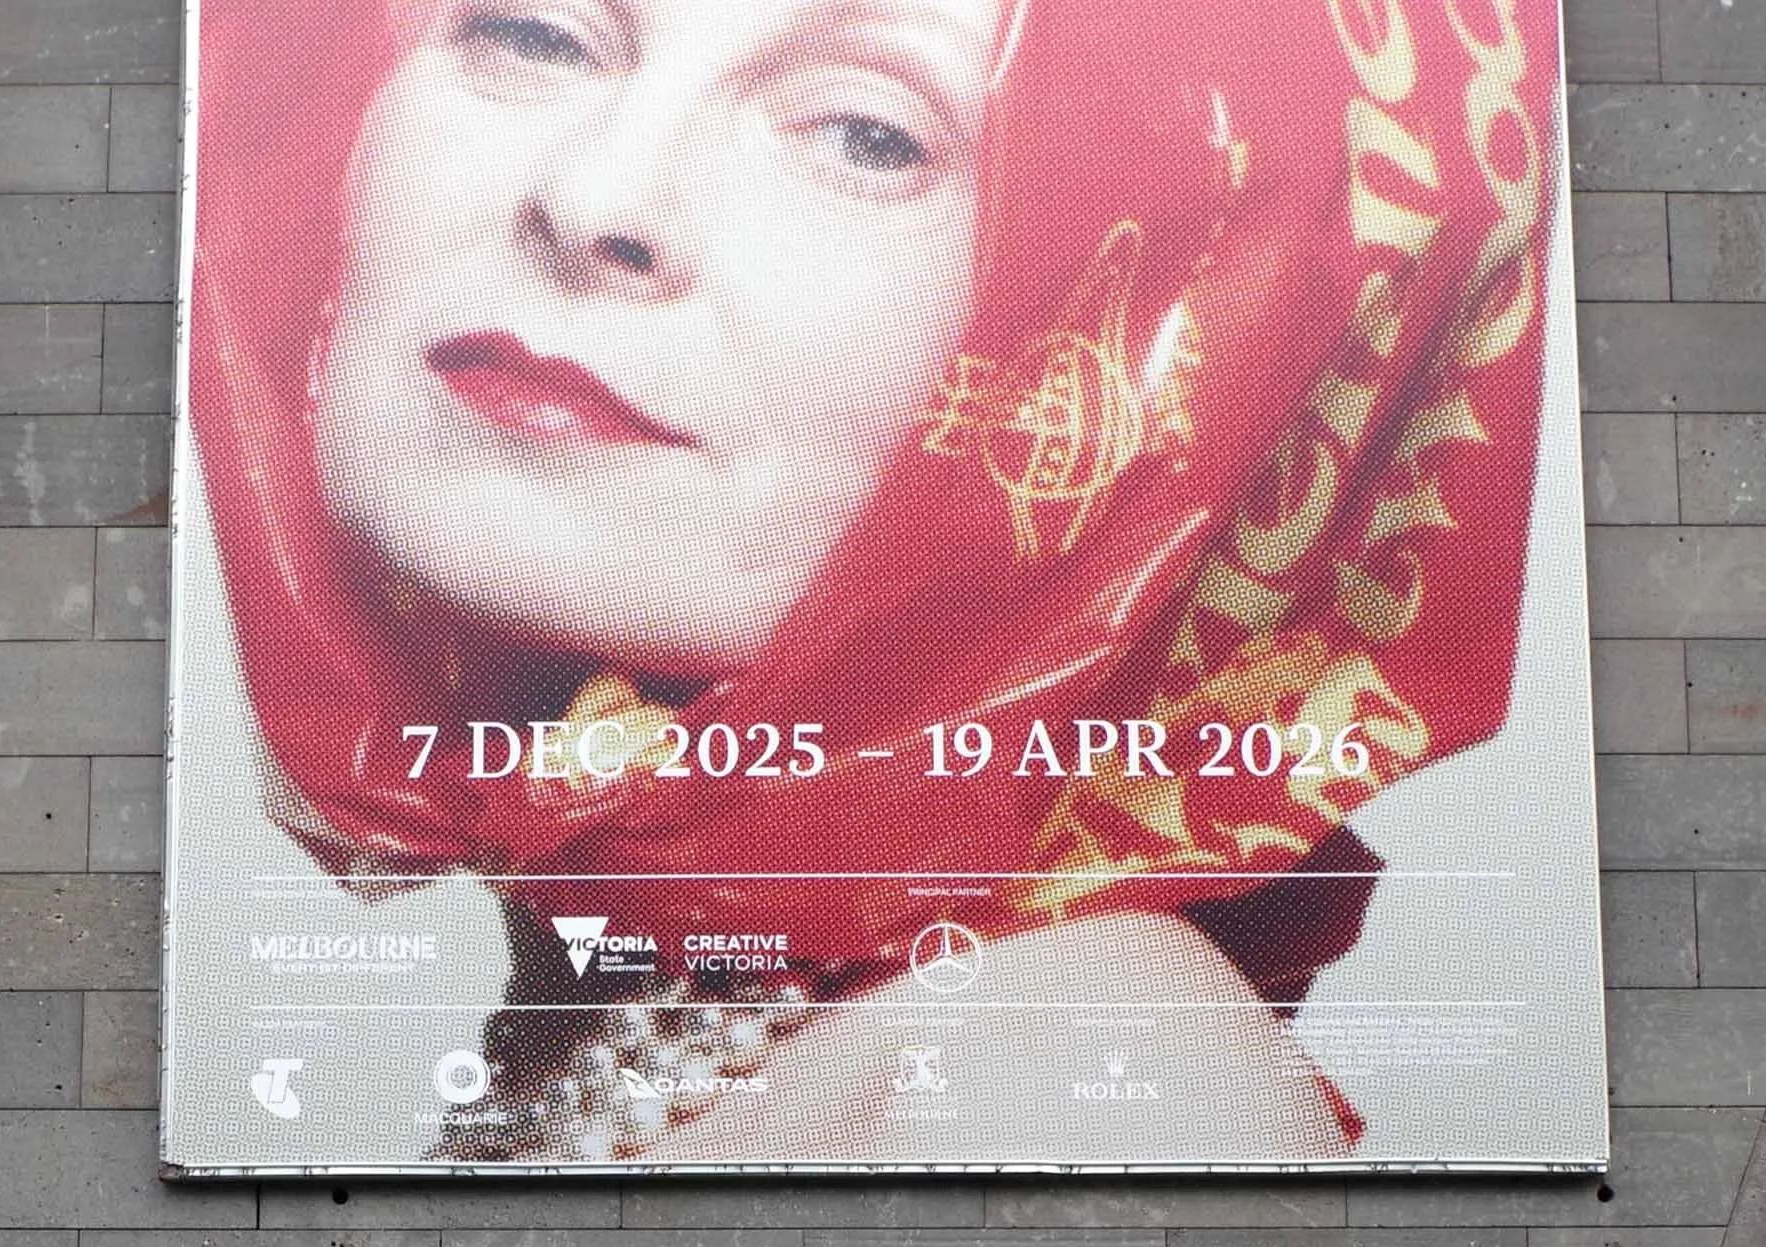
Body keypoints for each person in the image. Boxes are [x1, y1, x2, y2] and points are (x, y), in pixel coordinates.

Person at [191, 0, 1558, 1161]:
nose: (596, 194)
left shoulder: (1059, 1067)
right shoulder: (651, 1024)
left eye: (866, 135)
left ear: (1185, 369)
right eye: (538, 31)